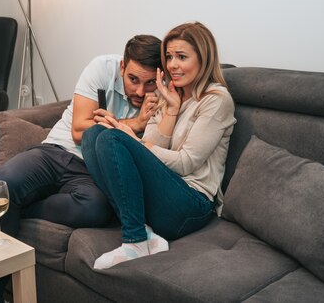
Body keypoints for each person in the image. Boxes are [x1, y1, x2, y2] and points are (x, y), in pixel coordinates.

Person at [0, 34, 162, 303]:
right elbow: (80, 130)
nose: (140, 92)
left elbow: (151, 154)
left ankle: (10, 209)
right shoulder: (102, 68)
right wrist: (135, 123)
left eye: (150, 82)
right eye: (134, 80)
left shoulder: (165, 96)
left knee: (95, 209)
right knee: (4, 184)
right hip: (55, 151)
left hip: (92, 172)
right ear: (122, 68)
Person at [81, 21, 236, 269]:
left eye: (182, 57)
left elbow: (185, 164)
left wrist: (133, 140)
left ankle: (135, 241)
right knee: (94, 133)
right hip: (163, 194)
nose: (173, 64)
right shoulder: (167, 94)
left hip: (191, 205)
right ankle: (143, 232)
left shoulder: (216, 100)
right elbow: (151, 151)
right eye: (170, 57)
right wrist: (172, 110)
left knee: (113, 137)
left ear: (203, 59)